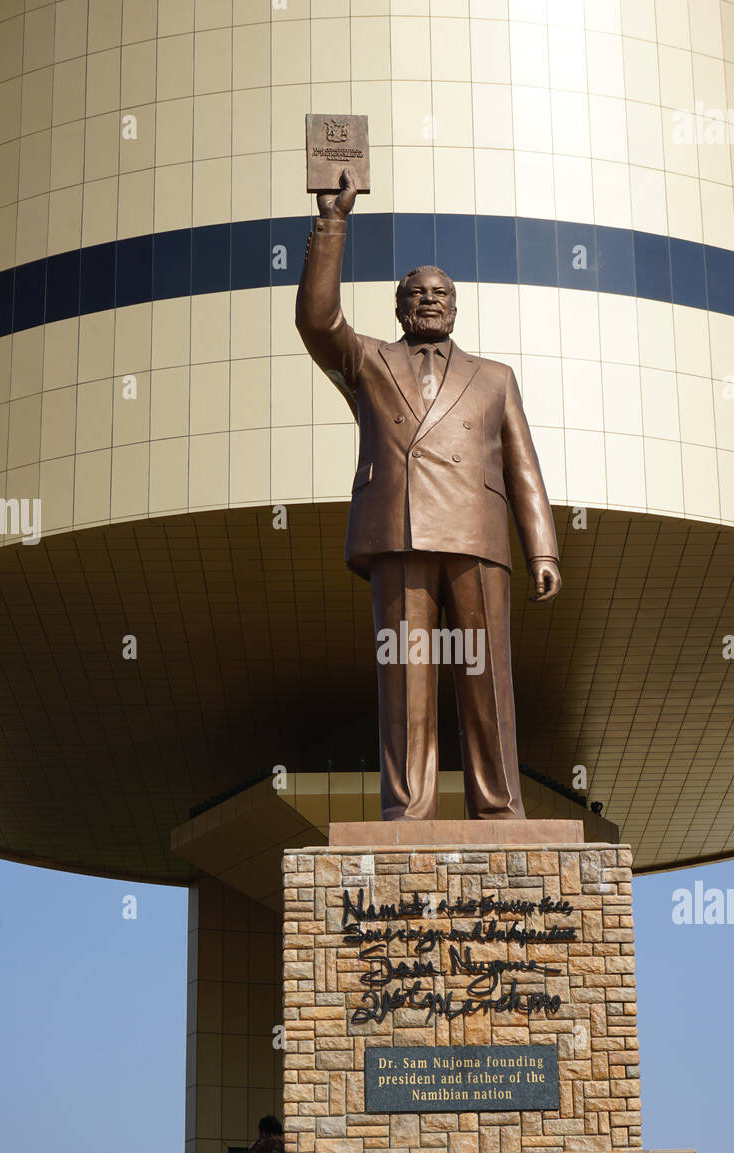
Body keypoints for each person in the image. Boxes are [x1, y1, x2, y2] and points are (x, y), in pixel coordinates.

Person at [296, 168, 561, 822]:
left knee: (487, 681)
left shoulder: (494, 377)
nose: (430, 301)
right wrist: (334, 221)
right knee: (405, 683)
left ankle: (499, 810)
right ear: (399, 307)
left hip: (477, 538)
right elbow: (317, 319)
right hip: (400, 538)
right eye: (417, 293)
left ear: (456, 305)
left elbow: (523, 468)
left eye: (441, 293)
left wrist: (544, 552)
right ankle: (406, 811)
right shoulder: (368, 363)